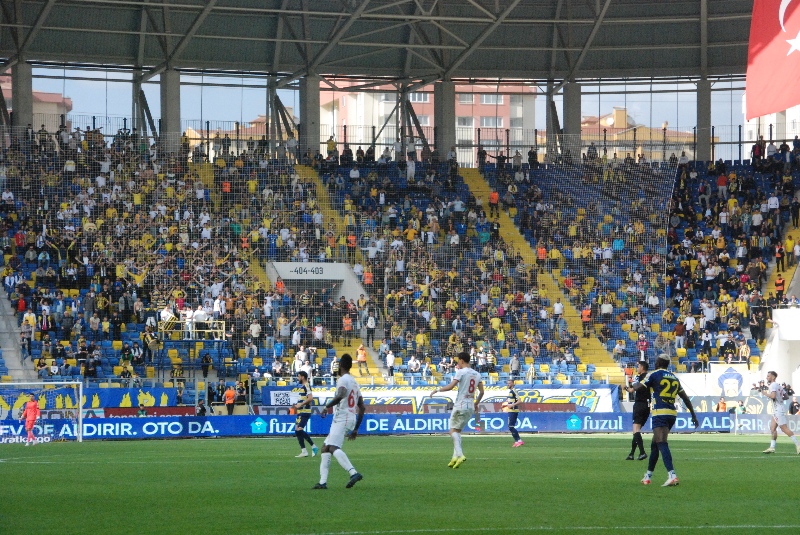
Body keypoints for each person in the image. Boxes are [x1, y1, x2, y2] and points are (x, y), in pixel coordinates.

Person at [630, 355, 699, 486]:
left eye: (656, 360)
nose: (655, 362)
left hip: (660, 412)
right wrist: (693, 415)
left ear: (659, 362)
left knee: (661, 442)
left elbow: (640, 387)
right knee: (654, 444)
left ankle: (672, 475)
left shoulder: (654, 374)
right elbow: (685, 398)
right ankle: (648, 476)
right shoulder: (674, 377)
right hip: (672, 413)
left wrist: (632, 385)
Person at [314, 354, 365, 489]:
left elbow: (341, 394)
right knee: (325, 447)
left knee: (332, 447)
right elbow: (362, 407)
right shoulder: (355, 382)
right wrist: (356, 428)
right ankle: (322, 482)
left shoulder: (343, 380)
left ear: (341, 365)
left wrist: (327, 407)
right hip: (349, 418)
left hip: (342, 418)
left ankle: (353, 472)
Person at [428, 351, 484, 469]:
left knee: (452, 431)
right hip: (470, 405)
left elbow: (451, 386)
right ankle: (454, 457)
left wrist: (437, 390)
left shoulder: (461, 372)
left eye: (458, 360)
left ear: (461, 360)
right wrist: (476, 403)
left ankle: (460, 454)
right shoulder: (477, 374)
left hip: (460, 404)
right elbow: (482, 392)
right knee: (457, 431)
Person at [763, 370, 800, 454]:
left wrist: (766, 394)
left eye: (768, 376)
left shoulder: (772, 385)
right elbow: (786, 396)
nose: (767, 377)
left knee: (784, 428)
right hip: (777, 409)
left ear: (773, 377)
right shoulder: (779, 386)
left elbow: (773, 396)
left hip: (777, 410)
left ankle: (798, 444)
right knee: (772, 428)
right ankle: (772, 447)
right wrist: (780, 399)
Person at [624, 361, 650, 461]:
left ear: (642, 367)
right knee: (636, 431)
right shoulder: (649, 377)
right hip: (647, 405)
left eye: (638, 366)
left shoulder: (641, 378)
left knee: (636, 430)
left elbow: (631, 390)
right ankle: (631, 454)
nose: (637, 368)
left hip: (640, 404)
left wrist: (625, 387)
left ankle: (642, 452)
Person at [293, 370, 318, 458]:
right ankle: (304, 451)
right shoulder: (303, 387)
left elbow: (310, 398)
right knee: (297, 430)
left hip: (305, 412)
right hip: (301, 412)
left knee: (299, 430)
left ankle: (313, 446)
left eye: (299, 376)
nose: (298, 378)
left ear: (303, 377)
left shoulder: (307, 386)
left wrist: (301, 404)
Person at [504, 379, 524, 447]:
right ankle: (517, 441)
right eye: (507, 383)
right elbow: (510, 401)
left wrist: (512, 405)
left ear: (512, 383)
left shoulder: (514, 391)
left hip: (514, 411)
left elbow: (520, 401)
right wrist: (505, 405)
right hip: (511, 411)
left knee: (511, 426)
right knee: (510, 426)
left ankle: (519, 440)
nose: (508, 384)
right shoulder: (510, 392)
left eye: (509, 383)